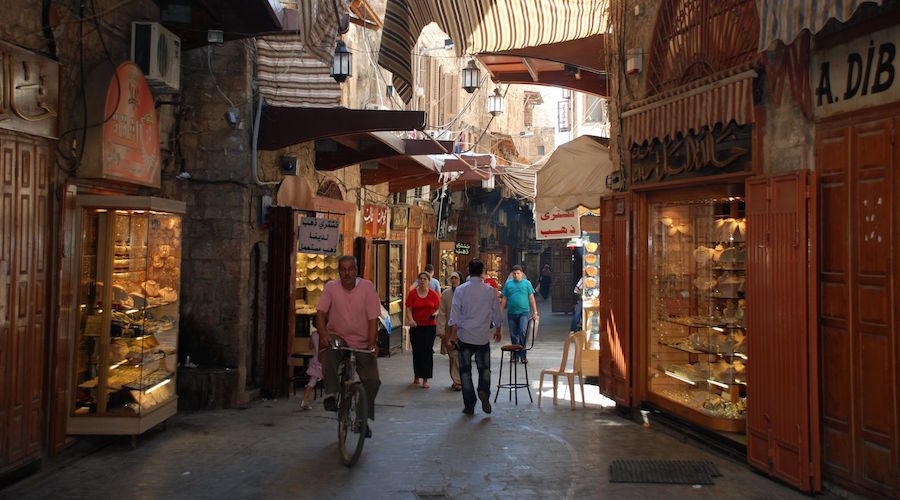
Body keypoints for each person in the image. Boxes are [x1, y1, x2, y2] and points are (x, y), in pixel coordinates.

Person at [315, 255, 382, 437]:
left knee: (373, 380)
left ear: (356, 270)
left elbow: (372, 319)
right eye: (343, 269)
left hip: (361, 342)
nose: (347, 273)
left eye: (350, 269)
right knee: (330, 352)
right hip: (339, 338)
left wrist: (370, 344)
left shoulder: (367, 287)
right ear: (339, 272)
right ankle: (331, 393)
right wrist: (324, 335)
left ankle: (362, 418)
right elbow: (320, 314)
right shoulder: (331, 288)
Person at [446, 259, 502, 415]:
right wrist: (498, 330)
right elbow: (497, 313)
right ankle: (484, 391)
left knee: (465, 372)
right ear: (483, 271)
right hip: (483, 337)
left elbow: (454, 315)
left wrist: (452, 336)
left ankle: (469, 404)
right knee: (484, 369)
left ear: (468, 271)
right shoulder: (490, 290)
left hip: (465, 336)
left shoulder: (461, 290)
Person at [405, 272, 441, 388]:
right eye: (420, 279)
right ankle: (416, 375)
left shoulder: (433, 294)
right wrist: (410, 320)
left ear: (429, 281)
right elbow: (409, 308)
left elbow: (439, 308)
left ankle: (425, 378)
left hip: (429, 326)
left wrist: (435, 314)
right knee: (417, 351)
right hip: (416, 326)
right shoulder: (412, 294)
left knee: (427, 351)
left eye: (425, 279)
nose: (422, 281)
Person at [500, 264, 538, 363]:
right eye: (514, 273)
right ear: (512, 274)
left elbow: (531, 298)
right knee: (513, 334)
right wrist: (500, 311)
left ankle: (523, 354)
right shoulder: (508, 284)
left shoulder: (527, 284)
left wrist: (535, 312)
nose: (516, 275)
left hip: (524, 312)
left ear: (522, 274)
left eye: (518, 273)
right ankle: (514, 355)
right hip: (511, 313)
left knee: (522, 331)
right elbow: (504, 298)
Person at [436, 271, 462, 391]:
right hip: (448, 329)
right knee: (452, 355)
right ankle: (455, 378)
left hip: (462, 329)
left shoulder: (464, 293)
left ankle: (457, 380)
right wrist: (440, 329)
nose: (454, 281)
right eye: (452, 278)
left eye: (456, 278)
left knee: (456, 354)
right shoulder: (446, 294)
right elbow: (442, 312)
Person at [299, 331, 322, 410]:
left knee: (312, 381)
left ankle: (304, 401)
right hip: (325, 359)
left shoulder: (314, 334)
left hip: (315, 360)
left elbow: (310, 346)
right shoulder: (327, 333)